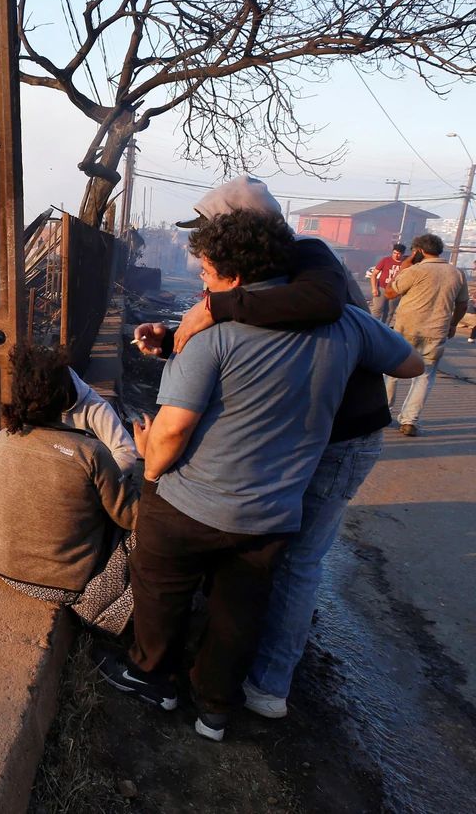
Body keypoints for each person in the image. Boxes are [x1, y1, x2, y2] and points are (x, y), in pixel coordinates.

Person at [97, 208, 422, 743]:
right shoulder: (346, 323)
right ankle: (216, 710)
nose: (202, 283)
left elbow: (173, 432)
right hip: (274, 512)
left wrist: (151, 469)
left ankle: (153, 677)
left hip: (191, 503)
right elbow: (409, 364)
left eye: (204, 272)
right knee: (238, 608)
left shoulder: (210, 335)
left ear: (233, 278)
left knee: (161, 585)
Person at [0, 366, 138, 586]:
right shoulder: (15, 434)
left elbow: (126, 452)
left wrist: (97, 482)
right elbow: (133, 517)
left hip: (83, 489)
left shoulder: (94, 412)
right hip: (50, 493)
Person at [383, 233, 469, 435]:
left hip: (406, 330)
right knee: (424, 377)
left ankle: (384, 413)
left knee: (392, 372)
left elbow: (389, 293)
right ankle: (410, 421)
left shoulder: (414, 271)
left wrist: (404, 269)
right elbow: (462, 304)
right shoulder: (456, 273)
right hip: (436, 331)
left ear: (418, 251)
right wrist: (453, 324)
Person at [368, 243, 405, 324]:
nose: (396, 255)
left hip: (395, 290)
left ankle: (385, 330)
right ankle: (372, 327)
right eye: (394, 253)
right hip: (382, 288)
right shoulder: (385, 260)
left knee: (389, 312)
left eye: (399, 253)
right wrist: (374, 288)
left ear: (402, 254)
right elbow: (374, 274)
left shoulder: (405, 263)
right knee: (377, 309)